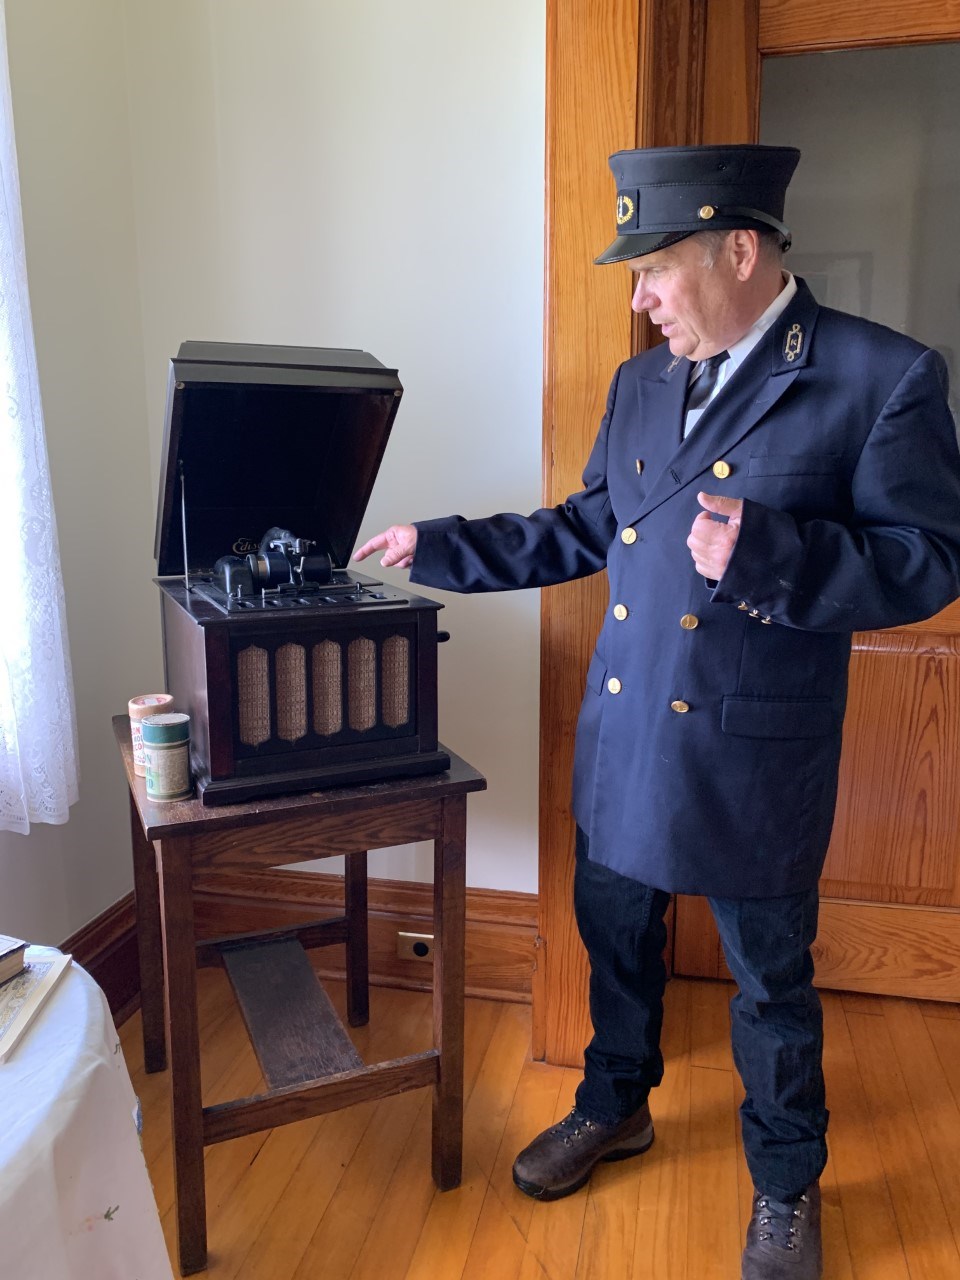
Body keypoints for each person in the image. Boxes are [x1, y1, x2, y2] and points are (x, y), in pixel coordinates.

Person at [353, 144, 960, 1280]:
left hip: (756, 747)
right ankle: (615, 1102)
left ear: (740, 248)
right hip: (630, 734)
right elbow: (586, 525)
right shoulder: (642, 384)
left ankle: (786, 1182)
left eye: (654, 270)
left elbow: (928, 562)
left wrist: (777, 552)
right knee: (614, 938)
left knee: (770, 983)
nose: (636, 300)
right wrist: (441, 546)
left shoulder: (880, 376)